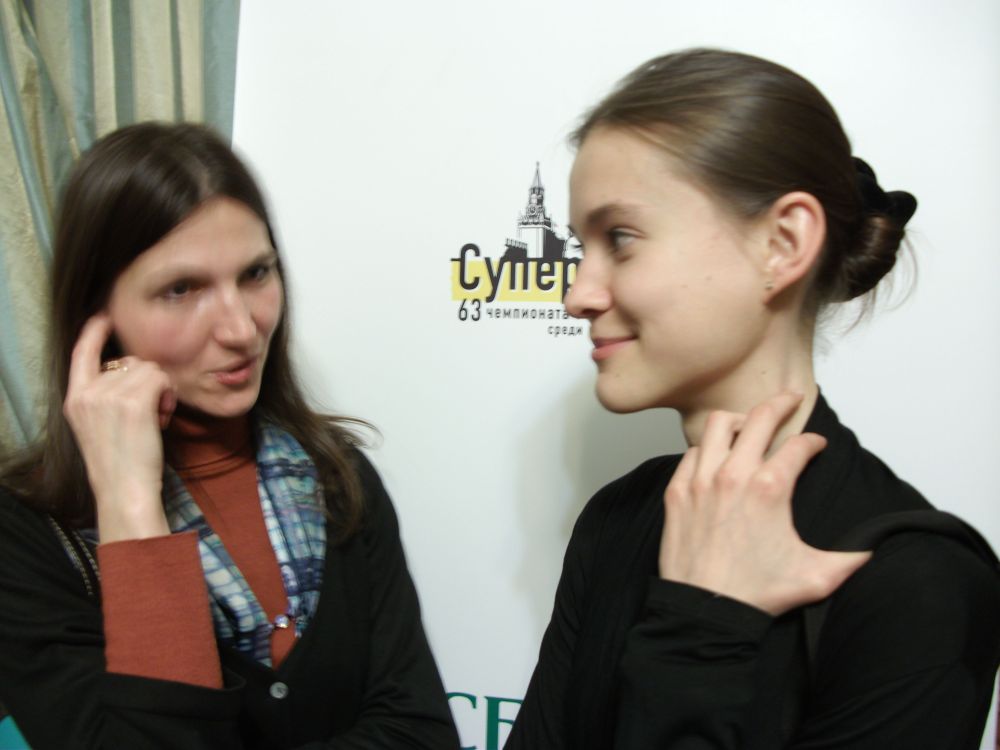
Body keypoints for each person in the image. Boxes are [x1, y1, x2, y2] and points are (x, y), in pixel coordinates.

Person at [506, 48, 1000, 749]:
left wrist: (699, 626)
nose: (577, 294)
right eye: (583, 245)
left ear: (783, 243)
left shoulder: (920, 579)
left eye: (621, 238)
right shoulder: (617, 519)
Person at [0, 122, 460, 749]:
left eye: (255, 273)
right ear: (96, 317)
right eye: (181, 289)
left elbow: (421, 732)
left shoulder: (335, 476)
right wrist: (131, 503)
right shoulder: (26, 533)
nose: (242, 329)